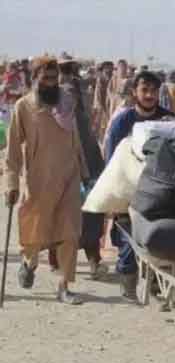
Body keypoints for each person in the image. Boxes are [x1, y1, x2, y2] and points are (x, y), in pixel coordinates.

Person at [5, 57, 88, 304]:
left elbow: (75, 139)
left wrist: (84, 171)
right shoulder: (23, 107)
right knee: (35, 234)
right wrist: (11, 183)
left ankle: (64, 286)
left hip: (69, 178)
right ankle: (29, 262)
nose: (52, 83)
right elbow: (12, 150)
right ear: (35, 78)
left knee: (70, 232)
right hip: (39, 181)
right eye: (46, 78)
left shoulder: (67, 102)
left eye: (54, 78)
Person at [104, 71, 175, 300]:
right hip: (130, 190)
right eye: (144, 90)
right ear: (134, 92)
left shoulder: (169, 120)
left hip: (160, 191)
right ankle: (128, 281)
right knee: (128, 238)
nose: (149, 95)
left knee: (161, 237)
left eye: (153, 91)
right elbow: (112, 160)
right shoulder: (122, 122)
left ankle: (157, 282)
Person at [52, 56, 107, 279]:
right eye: (63, 70)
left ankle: (91, 261)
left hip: (86, 166)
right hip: (64, 167)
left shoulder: (76, 96)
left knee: (89, 213)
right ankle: (61, 261)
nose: (67, 76)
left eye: (69, 70)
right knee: (64, 214)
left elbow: (88, 137)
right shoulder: (54, 99)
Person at [92, 61, 114, 144]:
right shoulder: (100, 79)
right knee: (101, 128)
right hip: (101, 109)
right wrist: (103, 109)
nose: (109, 70)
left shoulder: (112, 78)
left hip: (109, 107)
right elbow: (98, 97)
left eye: (111, 69)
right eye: (107, 68)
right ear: (104, 69)